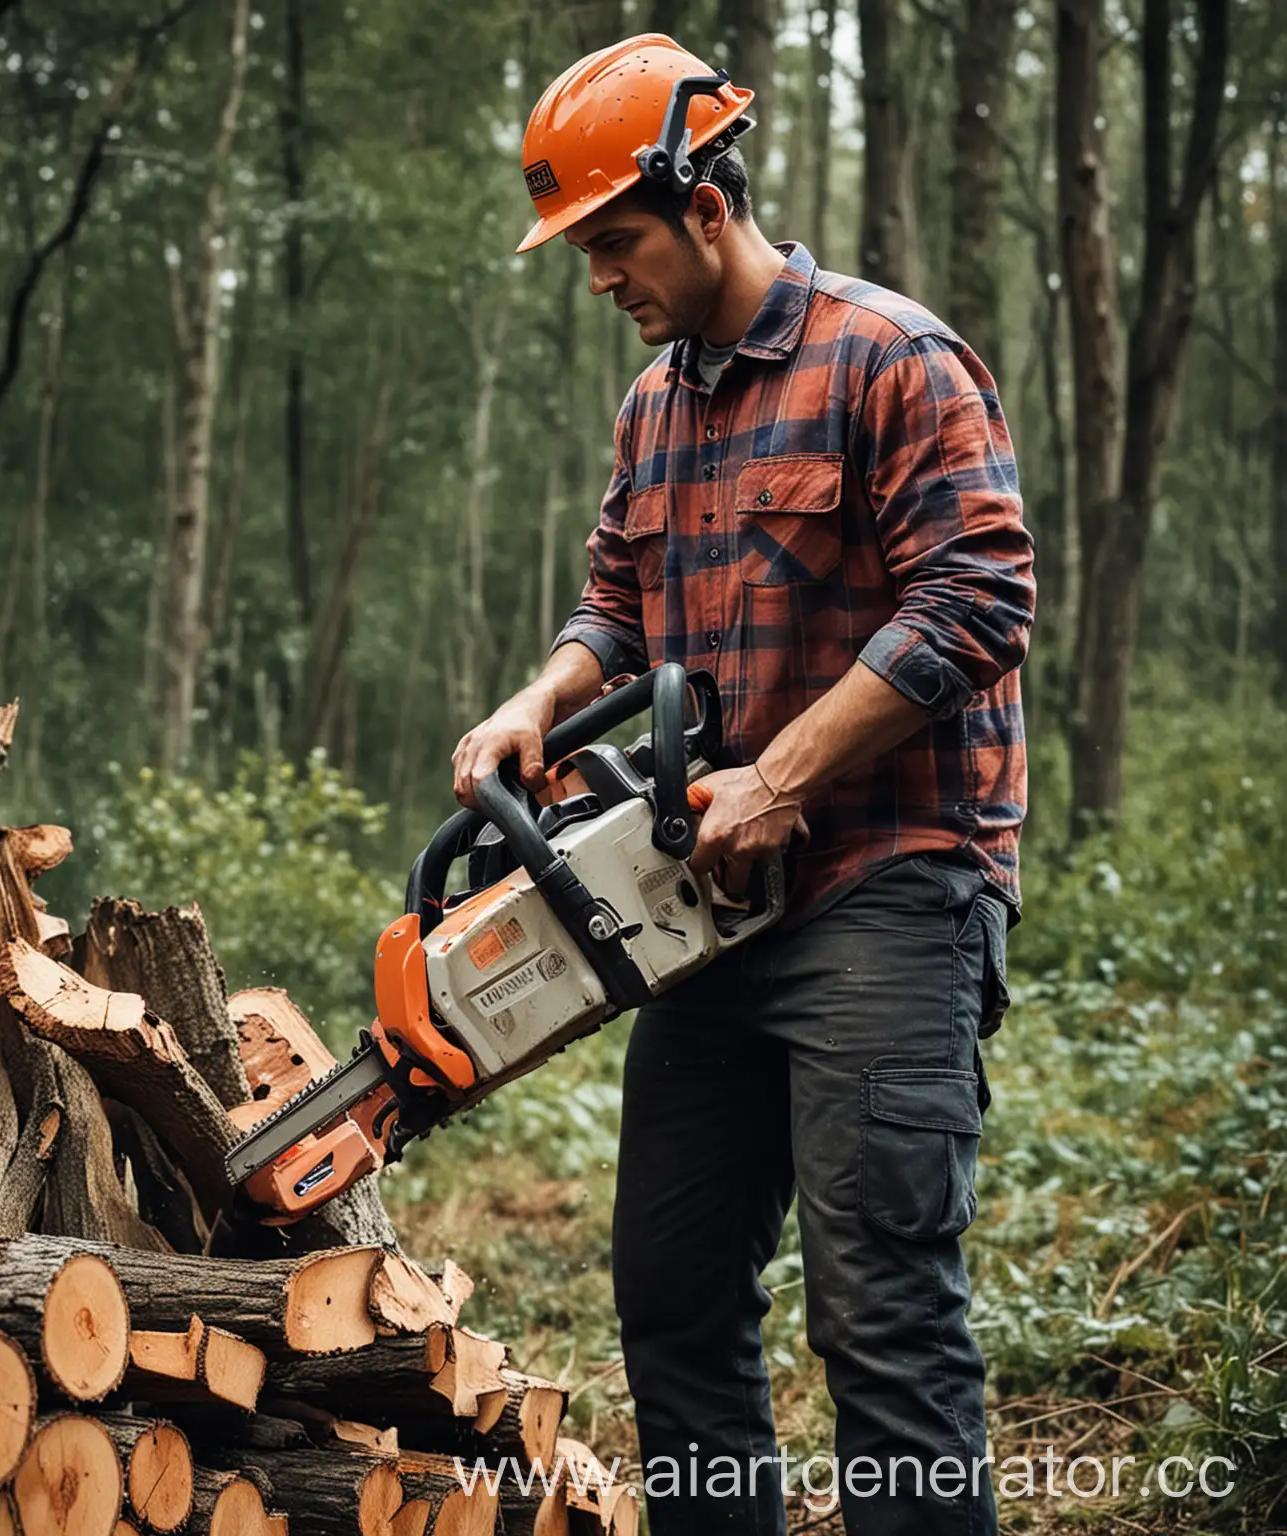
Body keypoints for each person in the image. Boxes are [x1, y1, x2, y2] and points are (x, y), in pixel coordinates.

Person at [450, 32, 1035, 1536]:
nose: (599, 278)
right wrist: (546, 696)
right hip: (712, 906)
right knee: (674, 1296)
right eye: (581, 251)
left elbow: (977, 600)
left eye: (614, 239)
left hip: (890, 890)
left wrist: (778, 773)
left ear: (703, 200)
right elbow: (618, 603)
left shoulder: (891, 357)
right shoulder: (661, 404)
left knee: (883, 1321)